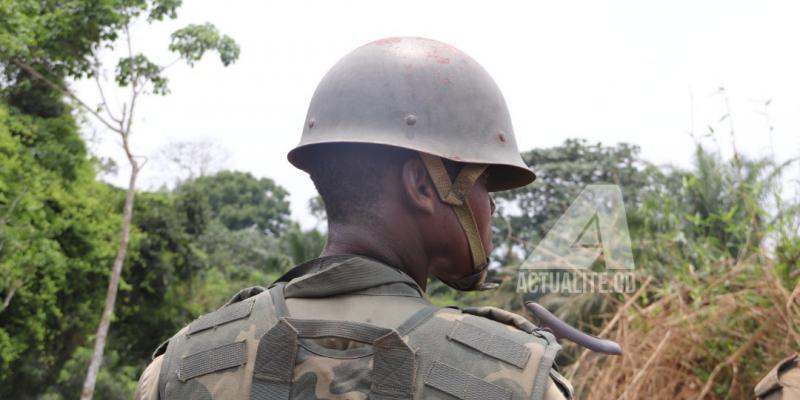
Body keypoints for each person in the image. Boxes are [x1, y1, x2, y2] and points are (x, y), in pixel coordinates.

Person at [134, 36, 573, 400]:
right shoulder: (517, 379)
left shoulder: (180, 366)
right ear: (422, 184)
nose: (491, 206)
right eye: (483, 181)